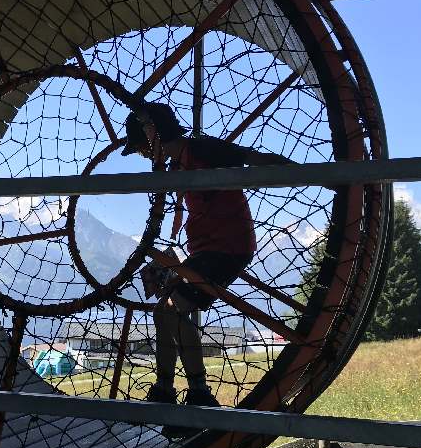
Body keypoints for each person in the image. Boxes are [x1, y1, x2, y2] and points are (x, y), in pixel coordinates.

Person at [121, 102, 294, 431]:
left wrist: (310, 174)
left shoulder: (202, 150)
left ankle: (187, 392)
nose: (143, 154)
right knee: (166, 312)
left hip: (226, 249)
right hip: (210, 250)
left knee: (169, 312)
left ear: (151, 134)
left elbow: (253, 158)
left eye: (141, 146)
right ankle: (175, 391)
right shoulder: (180, 163)